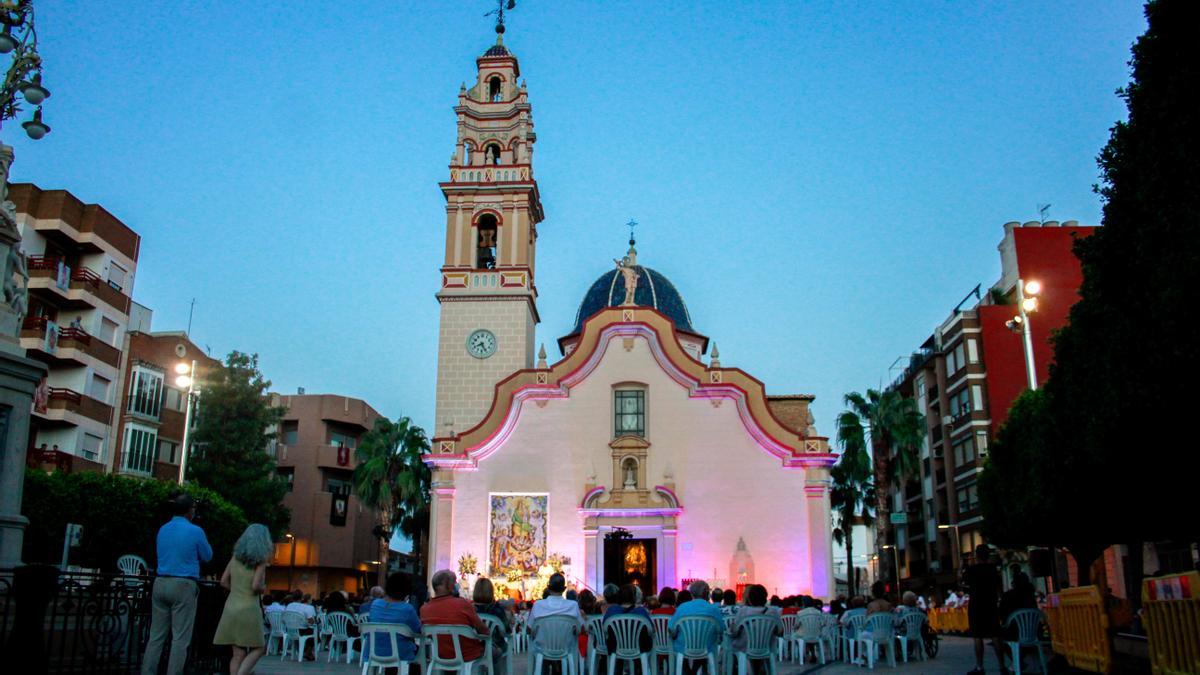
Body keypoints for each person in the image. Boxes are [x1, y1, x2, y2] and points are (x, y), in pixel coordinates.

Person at [141, 494, 213, 675]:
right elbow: (207, 555)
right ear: (190, 511)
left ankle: (147, 671)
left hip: (160, 581)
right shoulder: (196, 531)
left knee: (156, 636)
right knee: (180, 638)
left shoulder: (163, 529)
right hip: (184, 583)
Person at [213, 523, 272, 675]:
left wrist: (237, 590)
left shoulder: (235, 558)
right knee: (259, 648)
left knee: (237, 654)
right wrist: (263, 588)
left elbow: (223, 581)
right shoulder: (261, 560)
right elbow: (255, 586)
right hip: (249, 607)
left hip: (231, 606)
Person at [420, 570, 488, 664]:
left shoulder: (424, 609)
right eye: (455, 581)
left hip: (440, 656)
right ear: (447, 585)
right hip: (469, 655)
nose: (457, 584)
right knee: (497, 652)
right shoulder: (462, 604)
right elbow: (484, 631)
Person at [963, 545, 1006, 675]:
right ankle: (1002, 666)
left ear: (977, 555)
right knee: (995, 635)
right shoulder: (993, 569)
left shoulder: (972, 570)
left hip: (976, 605)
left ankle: (980, 666)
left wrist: (963, 566)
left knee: (977, 636)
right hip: (991, 604)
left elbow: (963, 581)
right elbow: (999, 587)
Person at [368, 571, 422, 667]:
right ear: (406, 590)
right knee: (420, 653)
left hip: (373, 651)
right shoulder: (407, 609)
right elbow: (418, 631)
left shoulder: (375, 604)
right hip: (400, 653)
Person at [669, 580, 725, 667]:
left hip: (683, 648)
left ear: (692, 593)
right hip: (707, 647)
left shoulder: (682, 608)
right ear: (706, 594)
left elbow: (671, 629)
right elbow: (721, 629)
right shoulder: (713, 609)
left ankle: (688, 670)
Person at [473, 578, 511, 675]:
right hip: (495, 645)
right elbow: (506, 631)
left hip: (475, 645)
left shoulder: (470, 609)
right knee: (500, 649)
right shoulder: (497, 609)